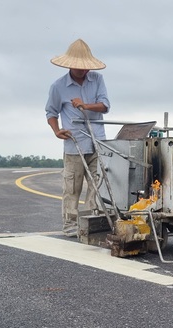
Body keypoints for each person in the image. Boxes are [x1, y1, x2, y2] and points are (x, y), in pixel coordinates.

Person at [45, 39, 110, 237]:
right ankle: (70, 224)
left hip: (97, 141)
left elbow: (105, 106)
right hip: (74, 143)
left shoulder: (97, 80)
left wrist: (85, 105)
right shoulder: (58, 86)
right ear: (70, 65)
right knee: (72, 187)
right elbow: (51, 112)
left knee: (96, 186)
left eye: (85, 67)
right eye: (79, 67)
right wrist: (57, 131)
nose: (83, 70)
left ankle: (90, 222)